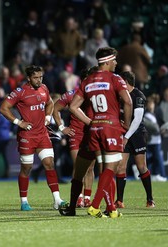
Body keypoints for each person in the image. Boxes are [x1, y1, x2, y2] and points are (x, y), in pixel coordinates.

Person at [69, 47, 132, 218]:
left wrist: (90, 122)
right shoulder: (115, 78)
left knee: (96, 168)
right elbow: (128, 101)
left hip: (94, 128)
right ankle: (95, 206)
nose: (116, 63)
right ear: (107, 62)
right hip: (110, 126)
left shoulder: (87, 80)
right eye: (114, 61)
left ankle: (111, 208)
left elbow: (73, 107)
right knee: (110, 168)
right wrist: (126, 124)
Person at [0, 65, 66, 211]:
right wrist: (18, 122)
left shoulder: (44, 88)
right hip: (27, 135)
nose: (39, 80)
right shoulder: (20, 92)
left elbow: (50, 103)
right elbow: (3, 107)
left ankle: (57, 199)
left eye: (40, 77)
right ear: (29, 78)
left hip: (42, 134)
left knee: (49, 164)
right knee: (27, 168)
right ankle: (24, 201)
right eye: (36, 77)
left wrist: (48, 117)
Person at [53, 66, 98, 213]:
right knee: (78, 166)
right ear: (83, 80)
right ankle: (78, 196)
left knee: (91, 167)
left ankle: (87, 197)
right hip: (76, 135)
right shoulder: (72, 94)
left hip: (91, 134)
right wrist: (62, 128)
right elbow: (55, 109)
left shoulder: (97, 95)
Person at [115, 71, 155, 209]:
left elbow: (137, 120)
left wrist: (126, 137)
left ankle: (150, 199)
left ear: (125, 82)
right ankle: (119, 200)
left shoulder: (138, 96)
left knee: (141, 167)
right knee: (120, 166)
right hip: (124, 134)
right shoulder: (120, 96)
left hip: (137, 134)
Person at [144, 96, 167, 182]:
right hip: (151, 140)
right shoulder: (146, 115)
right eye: (149, 104)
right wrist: (159, 130)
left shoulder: (155, 115)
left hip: (157, 140)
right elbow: (154, 129)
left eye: (152, 104)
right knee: (155, 158)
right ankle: (156, 174)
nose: (151, 106)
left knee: (155, 159)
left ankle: (156, 174)